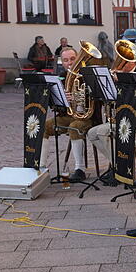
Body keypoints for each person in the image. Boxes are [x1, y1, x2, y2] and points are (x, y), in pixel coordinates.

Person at [41, 46, 94, 181]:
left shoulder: (88, 75)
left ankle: (79, 169)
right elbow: (53, 105)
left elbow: (99, 98)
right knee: (43, 127)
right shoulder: (61, 78)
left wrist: (82, 96)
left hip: (87, 117)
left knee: (75, 126)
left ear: (78, 59)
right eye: (65, 60)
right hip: (67, 116)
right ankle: (40, 168)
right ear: (62, 63)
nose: (70, 63)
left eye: (72, 59)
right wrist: (60, 98)